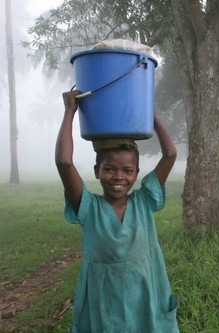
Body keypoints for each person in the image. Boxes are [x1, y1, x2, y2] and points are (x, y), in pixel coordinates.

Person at [56, 90, 179, 332]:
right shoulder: (88, 207)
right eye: (109, 169)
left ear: (136, 173)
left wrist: (151, 115)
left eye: (127, 170)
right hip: (105, 301)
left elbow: (170, 154)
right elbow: (64, 163)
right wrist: (70, 111)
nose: (119, 177)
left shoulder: (143, 201)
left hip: (144, 293)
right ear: (96, 171)